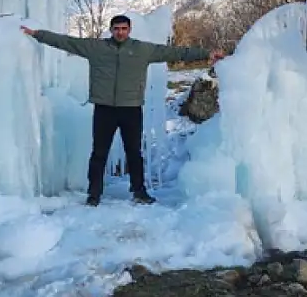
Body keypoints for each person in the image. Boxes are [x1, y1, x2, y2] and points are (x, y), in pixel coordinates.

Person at [21, 14, 225, 206]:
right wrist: (37, 34)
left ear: (129, 30)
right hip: (104, 109)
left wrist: (207, 53)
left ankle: (139, 192)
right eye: (116, 29)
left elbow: (175, 52)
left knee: (134, 153)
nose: (120, 32)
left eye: (124, 29)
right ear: (110, 30)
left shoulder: (142, 50)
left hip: (131, 109)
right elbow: (66, 41)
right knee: (99, 154)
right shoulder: (96, 48)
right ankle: (94, 194)